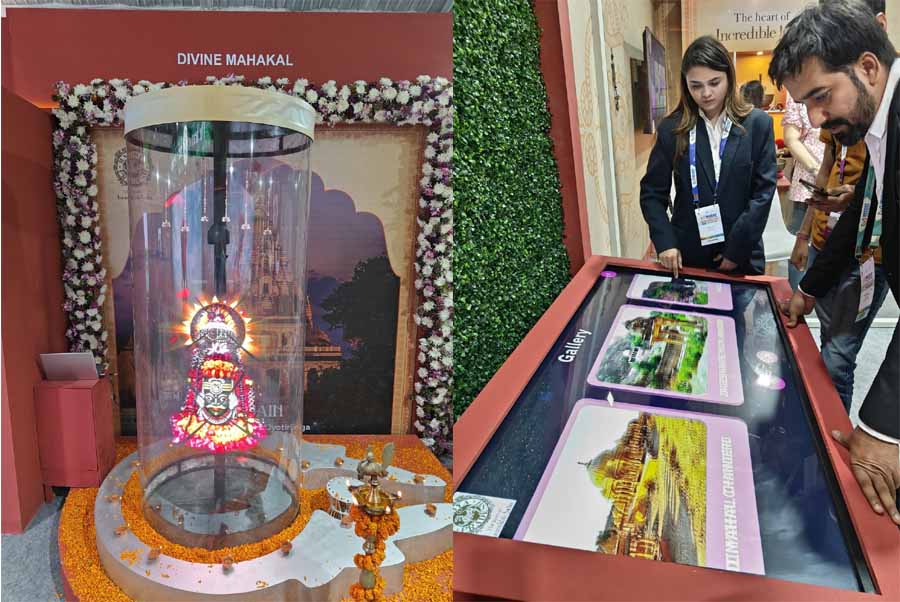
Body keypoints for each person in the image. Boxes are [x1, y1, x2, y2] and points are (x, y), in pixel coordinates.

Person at [769, 0, 899, 523]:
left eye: (821, 97)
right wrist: (809, 289)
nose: (818, 118)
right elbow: (862, 211)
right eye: (807, 104)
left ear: (868, 67)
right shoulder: (877, 122)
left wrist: (883, 427)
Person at [641, 36, 777, 277]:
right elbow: (652, 193)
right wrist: (665, 242)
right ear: (686, 85)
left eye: (714, 83)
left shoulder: (758, 124)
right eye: (696, 86)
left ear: (729, 78)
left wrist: (736, 251)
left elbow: (763, 193)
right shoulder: (672, 128)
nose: (706, 93)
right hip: (688, 253)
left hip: (742, 252)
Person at [782, 92, 825, 238]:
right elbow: (791, 139)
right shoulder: (796, 92)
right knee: (801, 236)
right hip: (809, 181)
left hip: (842, 178)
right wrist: (817, 170)